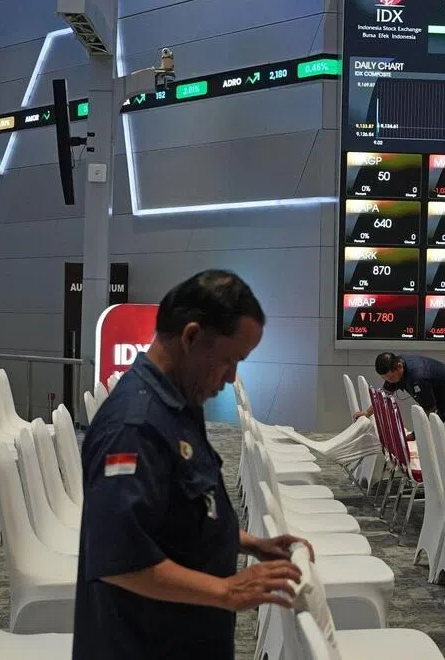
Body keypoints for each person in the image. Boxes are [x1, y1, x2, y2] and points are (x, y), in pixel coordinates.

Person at [73, 269, 311, 660]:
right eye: (229, 360)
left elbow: (179, 515)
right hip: (143, 644)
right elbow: (118, 559)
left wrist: (252, 544)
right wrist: (226, 590)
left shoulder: (180, 403)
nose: (232, 376)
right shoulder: (134, 427)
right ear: (191, 337)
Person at [357, 352, 445, 434]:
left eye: (391, 378)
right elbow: (384, 395)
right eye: (386, 379)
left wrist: (415, 435)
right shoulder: (394, 369)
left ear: (399, 367)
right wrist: (367, 413)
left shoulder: (418, 377)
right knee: (444, 436)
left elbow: (430, 412)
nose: (390, 381)